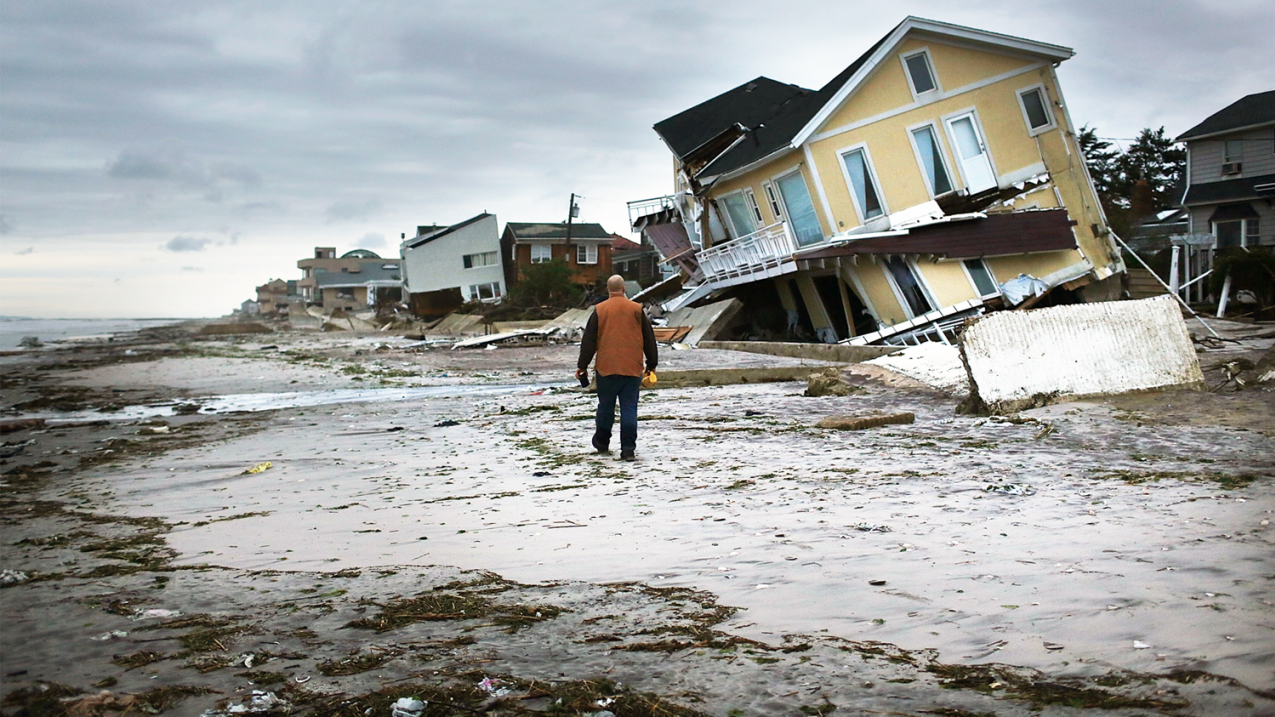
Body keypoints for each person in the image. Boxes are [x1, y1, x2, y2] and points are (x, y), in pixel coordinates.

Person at [576, 275, 658, 461]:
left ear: (608, 289)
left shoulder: (599, 310)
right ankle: (628, 448)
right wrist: (651, 365)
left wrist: (582, 366)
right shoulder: (637, 309)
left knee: (606, 407)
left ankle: (602, 442)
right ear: (623, 289)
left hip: (606, 368)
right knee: (629, 408)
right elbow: (649, 339)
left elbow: (589, 342)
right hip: (632, 368)